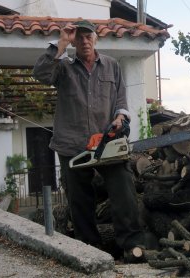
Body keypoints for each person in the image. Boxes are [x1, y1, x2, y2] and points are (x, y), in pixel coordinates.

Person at [33, 20, 147, 255]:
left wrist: (119, 118)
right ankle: (89, 247)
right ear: (74, 40)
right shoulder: (63, 67)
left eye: (89, 37)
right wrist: (61, 43)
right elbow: (41, 73)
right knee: (79, 198)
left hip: (106, 142)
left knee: (123, 188)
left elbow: (121, 102)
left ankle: (132, 244)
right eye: (79, 37)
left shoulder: (111, 65)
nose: (84, 41)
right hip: (71, 143)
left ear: (96, 39)